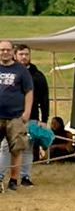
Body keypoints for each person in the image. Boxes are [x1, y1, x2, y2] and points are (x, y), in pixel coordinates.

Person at [0, 40, 35, 191]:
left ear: (13, 52)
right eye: (2, 50)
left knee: (16, 149)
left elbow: (29, 91)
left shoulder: (21, 70)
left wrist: (26, 112)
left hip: (15, 116)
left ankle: (13, 180)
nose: (5, 52)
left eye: (8, 50)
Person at [14, 44, 49, 186]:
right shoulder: (7, 73)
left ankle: (25, 177)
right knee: (6, 147)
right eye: (21, 54)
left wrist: (44, 119)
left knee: (28, 149)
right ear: (15, 56)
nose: (24, 57)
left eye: (26, 54)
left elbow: (44, 99)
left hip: (31, 117)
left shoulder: (38, 76)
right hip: (9, 117)